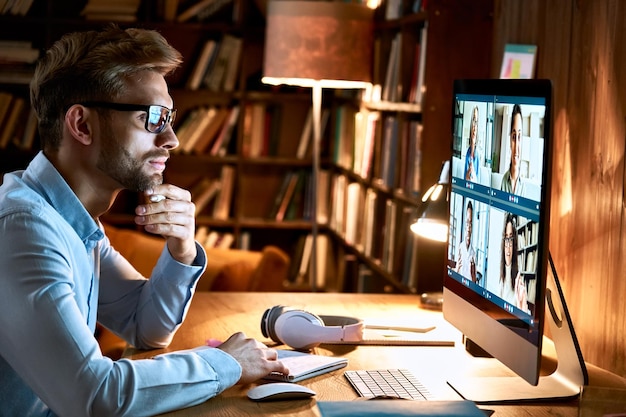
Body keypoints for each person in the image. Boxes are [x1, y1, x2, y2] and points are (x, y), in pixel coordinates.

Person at [0, 26, 288, 416]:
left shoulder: (72, 220)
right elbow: (93, 395)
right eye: (153, 117)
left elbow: (146, 327)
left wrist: (181, 247)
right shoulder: (23, 230)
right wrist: (228, 363)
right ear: (82, 125)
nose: (172, 138)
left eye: (169, 117)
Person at [498, 213, 529, 312]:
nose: (508, 245)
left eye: (511, 239)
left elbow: (524, 311)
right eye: (506, 238)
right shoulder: (500, 277)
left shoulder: (518, 279)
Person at [500, 104, 526, 196]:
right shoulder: (504, 180)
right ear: (510, 140)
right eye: (514, 137)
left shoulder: (524, 186)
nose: (517, 145)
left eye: (519, 137)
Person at [456, 200, 477, 283]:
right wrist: (456, 269)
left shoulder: (474, 253)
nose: (468, 228)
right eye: (467, 223)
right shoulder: (460, 248)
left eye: (470, 224)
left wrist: (473, 275)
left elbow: (474, 281)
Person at [464, 105, 480, 182]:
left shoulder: (477, 156)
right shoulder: (467, 153)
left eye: (476, 122)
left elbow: (477, 183)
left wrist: (472, 173)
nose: (474, 126)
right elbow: (465, 180)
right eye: (473, 121)